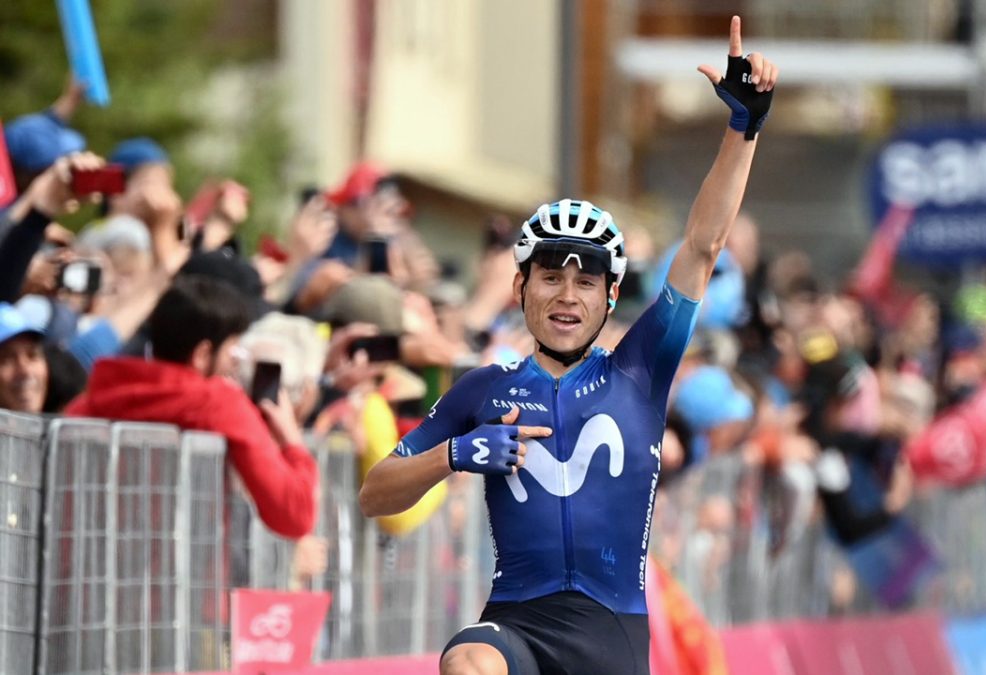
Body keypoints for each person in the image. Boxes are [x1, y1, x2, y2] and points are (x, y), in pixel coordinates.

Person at [360, 16, 776, 675]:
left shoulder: (641, 369)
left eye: (586, 283)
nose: (567, 295)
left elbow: (702, 245)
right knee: (467, 660)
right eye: (550, 277)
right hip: (514, 626)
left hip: (610, 637)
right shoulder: (482, 387)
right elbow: (374, 493)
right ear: (519, 285)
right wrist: (456, 453)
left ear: (611, 299)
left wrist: (743, 128)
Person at [66, 275, 319, 538]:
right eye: (231, 349)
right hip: (182, 574)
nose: (235, 362)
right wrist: (293, 442)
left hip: (82, 567)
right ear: (202, 355)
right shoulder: (218, 403)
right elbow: (294, 514)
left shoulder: (93, 398)